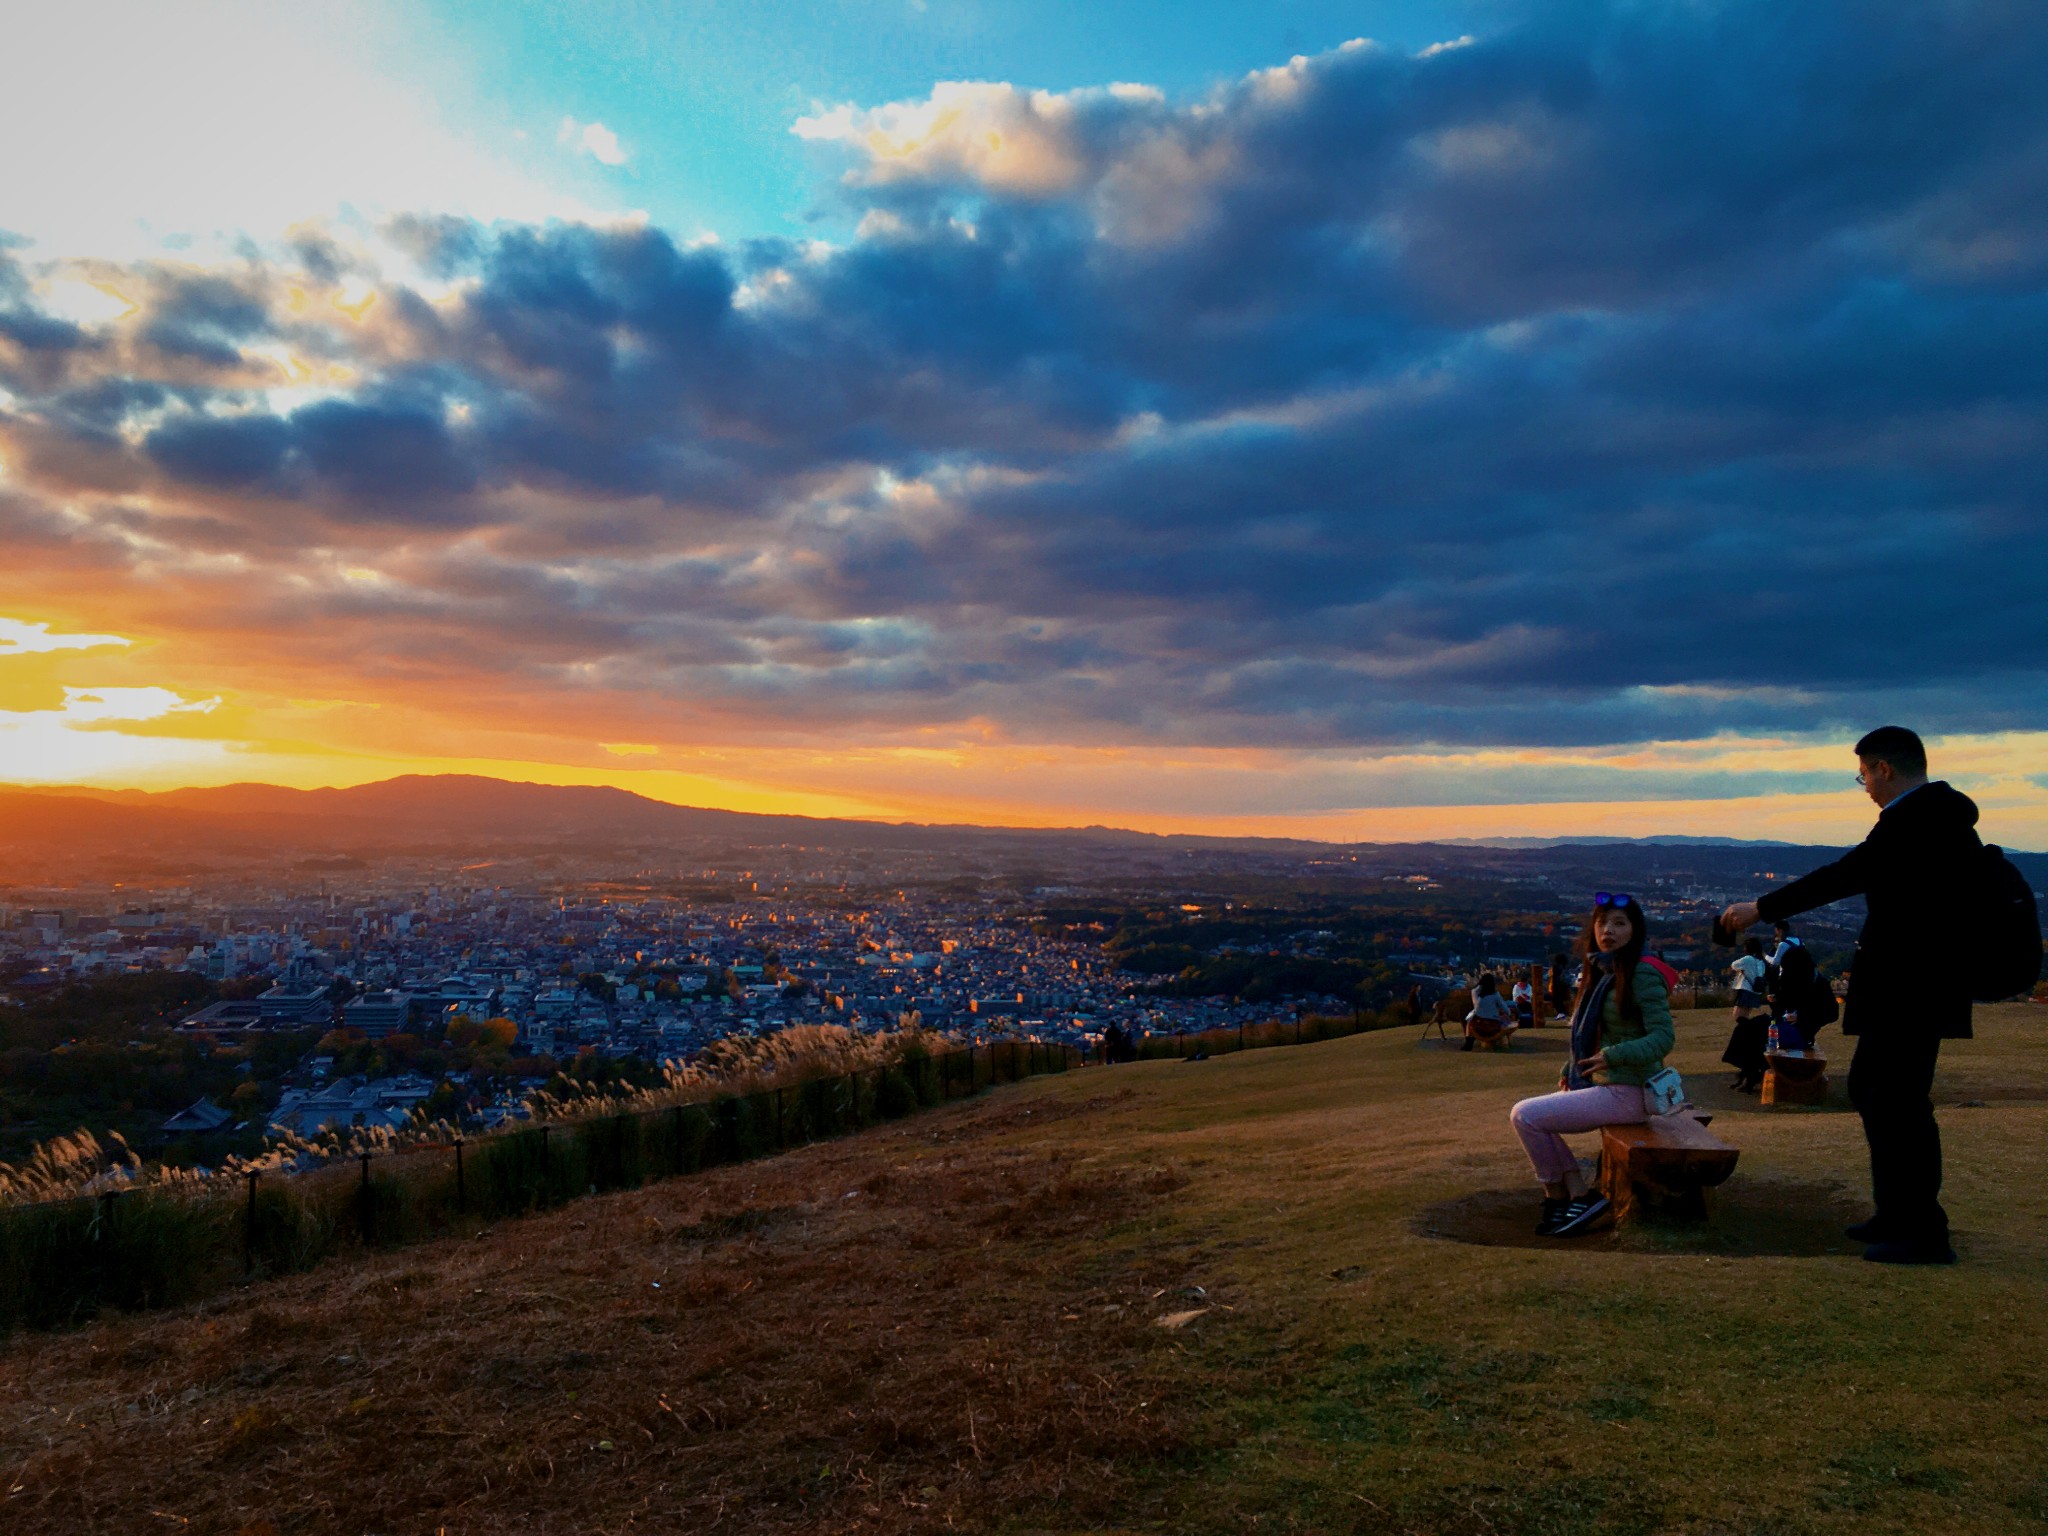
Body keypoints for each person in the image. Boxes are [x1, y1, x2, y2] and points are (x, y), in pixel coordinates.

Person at [1720, 727, 1980, 1266]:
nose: (1863, 785)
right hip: (1916, 987)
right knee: (1878, 1090)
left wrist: (1761, 907)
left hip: (1911, 989)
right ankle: (1898, 1214)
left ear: (1884, 767)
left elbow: (1845, 875)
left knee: (1897, 1101)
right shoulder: (1940, 818)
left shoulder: (1916, 820)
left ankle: (1923, 1231)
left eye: (1862, 773)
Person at [1508, 894, 1675, 1236]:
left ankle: (1561, 1195)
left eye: (1619, 923)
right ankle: (1575, 1193)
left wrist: (1613, 1056)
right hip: (1609, 1084)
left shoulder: (1641, 973)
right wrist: (1570, 1068)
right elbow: (1592, 1030)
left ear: (1635, 930)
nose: (1608, 930)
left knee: (1524, 1115)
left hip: (1630, 1090)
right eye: (1602, 922)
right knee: (1538, 1118)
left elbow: (1663, 1039)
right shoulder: (1603, 969)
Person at [1721, 937, 1771, 1091]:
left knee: (1739, 1018)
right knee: (1744, 1017)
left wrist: (1741, 970)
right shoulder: (1761, 961)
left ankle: (1745, 1045)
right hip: (1755, 992)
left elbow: (1734, 965)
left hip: (1746, 990)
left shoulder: (1748, 959)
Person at [1462, 973, 1517, 1050]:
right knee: (1504, 1018)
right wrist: (1508, 1013)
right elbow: (1505, 1008)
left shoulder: (1476, 993)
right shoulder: (1495, 995)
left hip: (1479, 1022)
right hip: (1493, 1023)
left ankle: (1468, 1041)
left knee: (1469, 1022)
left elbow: (1475, 1002)